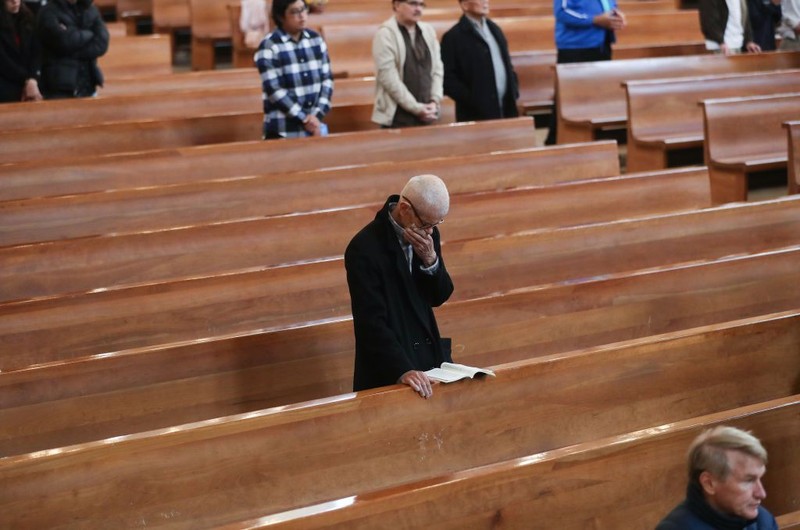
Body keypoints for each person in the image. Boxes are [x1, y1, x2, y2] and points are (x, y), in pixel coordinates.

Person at [345, 174, 453, 399]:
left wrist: (431, 261)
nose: (431, 232)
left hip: (428, 356)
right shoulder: (364, 248)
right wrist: (402, 369)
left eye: (436, 224)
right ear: (405, 209)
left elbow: (439, 296)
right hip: (389, 366)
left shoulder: (428, 235)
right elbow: (370, 323)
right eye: (427, 224)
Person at [655, 426, 779, 530]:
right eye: (748, 481)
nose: (761, 493)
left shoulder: (763, 521)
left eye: (760, 478)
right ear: (709, 483)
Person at [545, 0, 626, 144]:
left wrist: (615, 15)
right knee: (567, 99)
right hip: (576, 47)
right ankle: (554, 142)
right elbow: (562, 12)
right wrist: (595, 20)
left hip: (602, 44)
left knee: (598, 98)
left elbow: (610, 4)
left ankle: (595, 143)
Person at [254, 0, 333, 139]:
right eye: (295, 12)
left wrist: (317, 116)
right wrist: (304, 118)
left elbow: (327, 80)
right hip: (282, 130)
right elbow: (275, 91)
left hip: (315, 127)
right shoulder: (269, 46)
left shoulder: (316, 40)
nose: (302, 16)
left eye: (303, 9)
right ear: (280, 16)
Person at [440, 0, 519, 122]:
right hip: (474, 114)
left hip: (505, 108)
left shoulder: (495, 30)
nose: (485, 2)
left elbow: (508, 65)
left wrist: (514, 89)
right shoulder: (453, 37)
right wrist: (472, 99)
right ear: (464, 5)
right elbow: (448, 78)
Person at [371, 0, 444, 128]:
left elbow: (438, 69)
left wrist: (434, 101)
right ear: (397, 5)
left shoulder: (428, 31)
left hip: (429, 113)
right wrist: (416, 108)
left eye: (421, 5)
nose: (418, 9)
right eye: (413, 4)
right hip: (398, 117)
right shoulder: (385, 34)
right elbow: (388, 77)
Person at [36, 0, 109, 99]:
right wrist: (90, 33)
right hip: (59, 87)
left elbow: (102, 43)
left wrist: (70, 51)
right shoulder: (48, 11)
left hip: (88, 85)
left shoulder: (90, 9)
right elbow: (63, 41)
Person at [0, 0, 42, 103]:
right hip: (6, 85)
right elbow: (3, 60)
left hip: (30, 85)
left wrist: (33, 79)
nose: (15, 1)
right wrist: (27, 80)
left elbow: (36, 52)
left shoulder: (28, 17)